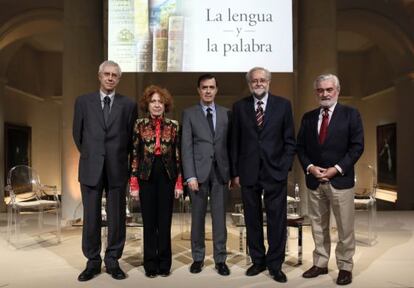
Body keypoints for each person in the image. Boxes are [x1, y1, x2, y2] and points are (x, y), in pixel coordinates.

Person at [73, 60, 138, 281]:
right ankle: (92, 262)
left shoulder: (128, 105)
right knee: (90, 217)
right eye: (106, 74)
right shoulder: (83, 102)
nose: (110, 78)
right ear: (99, 76)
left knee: (117, 217)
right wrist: (94, 154)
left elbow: (130, 139)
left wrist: (116, 157)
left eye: (114, 75)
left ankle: (112, 261)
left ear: (119, 79)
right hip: (91, 168)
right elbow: (77, 135)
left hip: (117, 167)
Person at [297, 74, 364, 286]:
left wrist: (336, 169)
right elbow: (301, 147)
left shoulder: (351, 114)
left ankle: (345, 266)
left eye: (329, 90)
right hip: (315, 181)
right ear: (316, 92)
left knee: (345, 227)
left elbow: (357, 146)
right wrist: (309, 167)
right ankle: (320, 262)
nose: (324, 94)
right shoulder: (308, 117)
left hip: (340, 180)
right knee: (317, 225)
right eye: (320, 90)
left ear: (337, 91)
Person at [231, 67, 296, 283]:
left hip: (274, 171)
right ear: (249, 84)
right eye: (254, 81)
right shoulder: (239, 107)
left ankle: (275, 264)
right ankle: (258, 260)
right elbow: (235, 143)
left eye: (262, 80)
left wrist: (284, 166)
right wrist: (235, 172)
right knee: (252, 219)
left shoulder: (283, 105)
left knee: (277, 219)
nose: (258, 84)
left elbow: (289, 140)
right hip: (248, 172)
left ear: (269, 82)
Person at [129, 85, 183, 278]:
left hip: (167, 175)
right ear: (147, 104)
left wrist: (178, 182)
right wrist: (134, 183)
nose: (157, 105)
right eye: (153, 101)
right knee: (149, 222)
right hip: (146, 176)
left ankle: (165, 263)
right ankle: (150, 264)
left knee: (165, 221)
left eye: (160, 101)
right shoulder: (139, 124)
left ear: (165, 104)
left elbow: (178, 156)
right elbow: (135, 153)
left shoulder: (174, 125)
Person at [181, 74, 232, 276]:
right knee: (197, 218)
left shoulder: (227, 113)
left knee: (220, 219)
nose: (208, 91)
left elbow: (230, 146)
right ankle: (198, 258)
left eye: (211, 87)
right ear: (198, 90)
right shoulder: (189, 114)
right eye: (204, 87)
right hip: (198, 174)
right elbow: (186, 147)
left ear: (216, 90)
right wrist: (190, 176)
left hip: (221, 173)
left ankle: (220, 259)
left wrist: (232, 173)